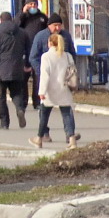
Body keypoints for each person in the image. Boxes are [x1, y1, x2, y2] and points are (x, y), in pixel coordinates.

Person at [29, 14, 77, 143]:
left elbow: (72, 55)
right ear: (49, 26)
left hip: (62, 82)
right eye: (54, 25)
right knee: (44, 111)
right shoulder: (40, 37)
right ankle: (45, 134)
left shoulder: (66, 36)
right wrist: (39, 72)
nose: (57, 28)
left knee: (65, 110)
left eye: (59, 25)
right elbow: (33, 57)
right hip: (48, 81)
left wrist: (69, 76)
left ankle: (69, 135)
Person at [0, 11, 29, 130]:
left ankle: (4, 122)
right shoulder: (22, 33)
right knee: (17, 93)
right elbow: (29, 50)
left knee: (1, 97)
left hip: (1, 71)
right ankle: (20, 109)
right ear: (12, 19)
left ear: (1, 20)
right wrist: (27, 64)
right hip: (17, 69)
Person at [16, 0, 48, 110]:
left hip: (38, 52)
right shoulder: (24, 17)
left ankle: (37, 102)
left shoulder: (42, 17)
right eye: (31, 4)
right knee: (23, 79)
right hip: (25, 50)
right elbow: (16, 25)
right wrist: (23, 13)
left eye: (34, 4)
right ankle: (23, 102)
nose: (33, 6)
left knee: (38, 78)